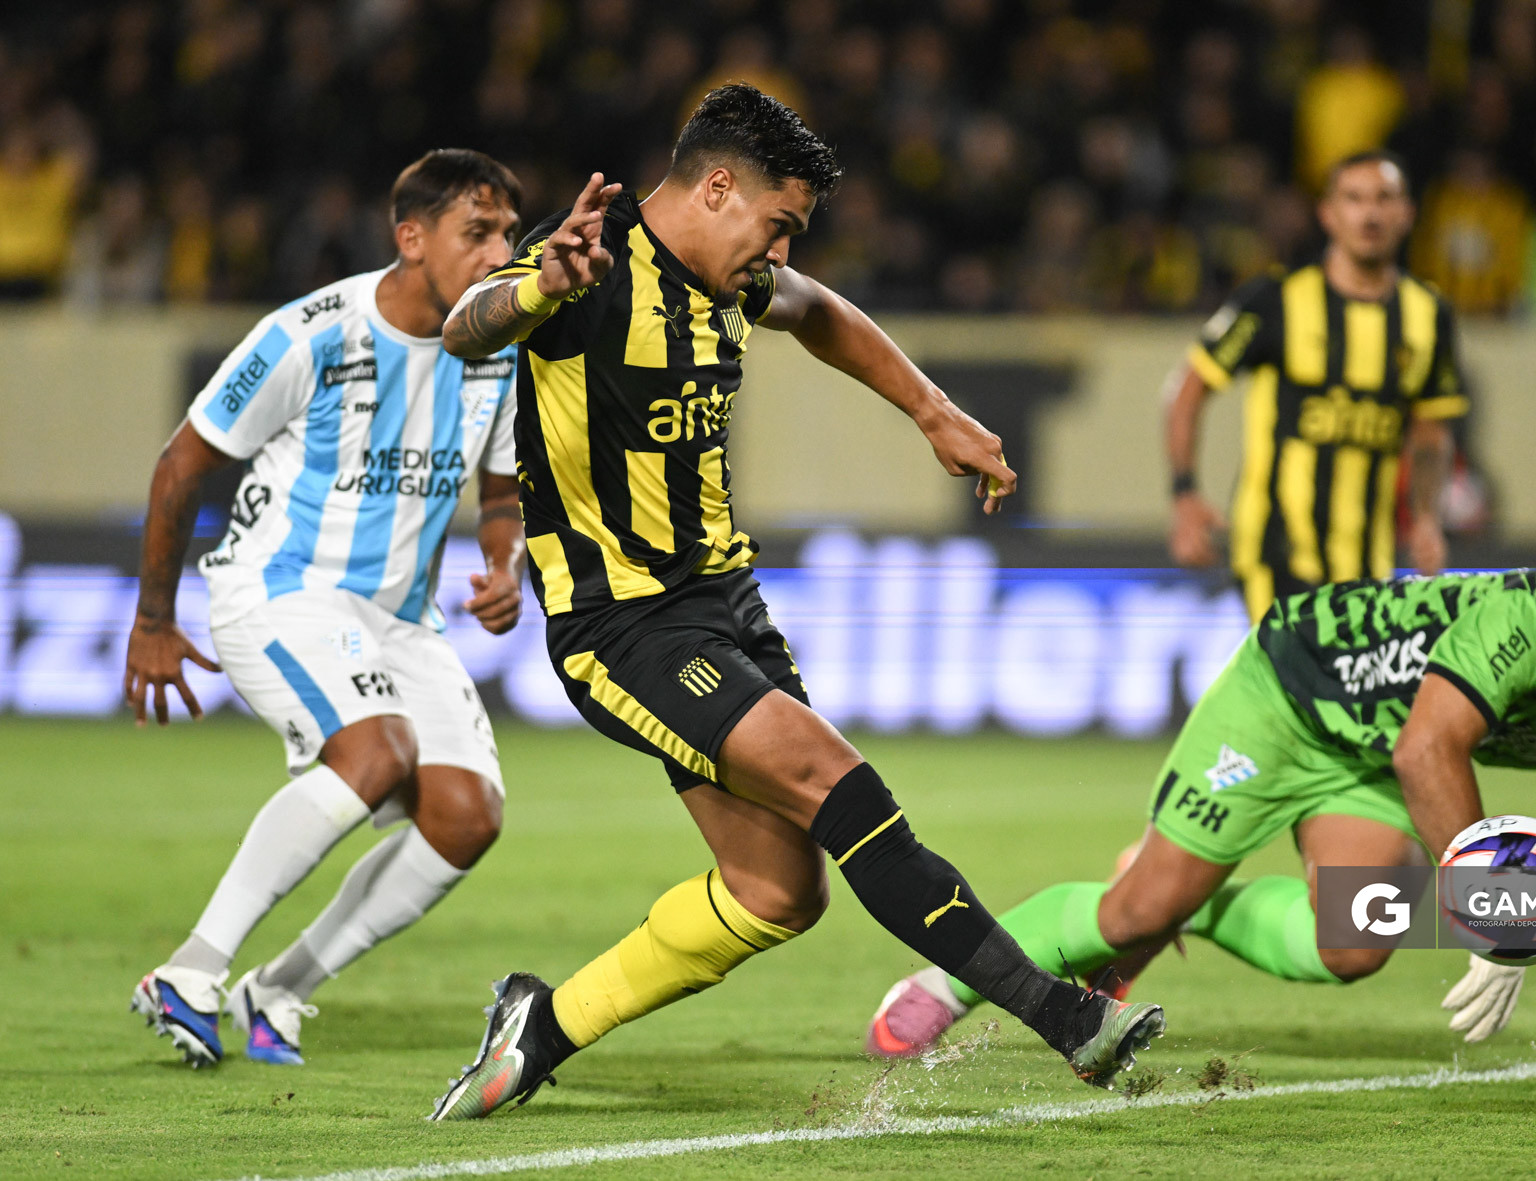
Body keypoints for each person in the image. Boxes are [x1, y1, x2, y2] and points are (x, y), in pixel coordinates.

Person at [427, 84, 1162, 1120]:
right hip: (623, 623)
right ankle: (1065, 1020)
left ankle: (541, 1025)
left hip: (728, 606)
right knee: (837, 780)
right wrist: (537, 288)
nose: (779, 251)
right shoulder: (583, 262)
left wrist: (933, 412)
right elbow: (466, 325)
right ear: (717, 186)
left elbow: (821, 312)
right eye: (777, 223)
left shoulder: (734, 279)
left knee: (778, 889)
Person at [867, 511, 1536, 1053]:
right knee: (1132, 914)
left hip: (1377, 752)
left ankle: (1205, 904)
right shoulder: (1533, 622)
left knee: (1354, 944)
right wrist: (1492, 913)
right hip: (1292, 691)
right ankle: (947, 987)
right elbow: (1431, 752)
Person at [125, 150, 528, 1067]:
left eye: (509, 232)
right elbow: (183, 462)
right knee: (376, 753)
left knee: (468, 816)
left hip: (400, 616)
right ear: (412, 237)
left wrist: (504, 563)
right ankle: (191, 970)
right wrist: (153, 620)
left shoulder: (501, 347)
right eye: (480, 231)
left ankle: (283, 986)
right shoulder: (309, 332)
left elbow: (502, 493)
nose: (501, 250)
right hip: (282, 589)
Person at [1165, 150, 1466, 625]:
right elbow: (1189, 386)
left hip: (1369, 566)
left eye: (1384, 199)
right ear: (1328, 214)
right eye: (1354, 199)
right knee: (1305, 692)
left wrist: (1426, 517)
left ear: (1406, 214)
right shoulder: (1274, 300)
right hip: (1275, 553)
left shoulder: (1429, 315)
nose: (1369, 214)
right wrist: (1184, 494)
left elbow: (1430, 430)